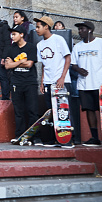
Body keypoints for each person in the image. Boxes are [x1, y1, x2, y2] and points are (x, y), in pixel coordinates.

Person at [71, 21, 102, 147]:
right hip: (84, 84)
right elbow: (73, 64)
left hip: (100, 84)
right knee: (89, 110)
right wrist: (79, 69)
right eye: (79, 29)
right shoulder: (77, 47)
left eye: (82, 29)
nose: (80, 31)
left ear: (90, 30)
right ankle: (94, 138)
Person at [34, 16, 74, 148]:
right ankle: (52, 138)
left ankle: (67, 140)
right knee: (50, 111)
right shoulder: (39, 45)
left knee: (63, 111)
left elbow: (68, 58)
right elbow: (44, 65)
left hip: (61, 82)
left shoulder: (58, 39)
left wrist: (62, 77)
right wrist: (42, 82)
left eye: (39, 26)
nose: (36, 29)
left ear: (46, 27)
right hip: (48, 82)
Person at [5, 25, 39, 139]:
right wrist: (21, 62)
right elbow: (7, 66)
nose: (12, 36)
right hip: (16, 82)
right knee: (18, 111)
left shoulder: (31, 47)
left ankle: (34, 137)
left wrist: (13, 64)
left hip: (30, 82)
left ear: (22, 35)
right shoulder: (11, 49)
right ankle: (20, 136)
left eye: (14, 34)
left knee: (32, 110)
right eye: (11, 34)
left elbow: (29, 64)